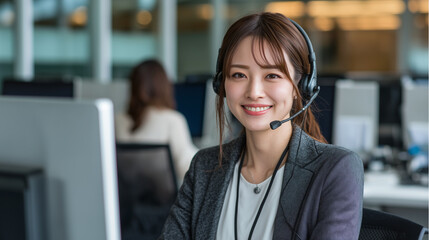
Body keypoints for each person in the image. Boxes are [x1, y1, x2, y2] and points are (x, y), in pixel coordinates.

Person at [159, 12, 364, 240]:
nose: (254, 92)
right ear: (222, 84)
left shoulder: (335, 170)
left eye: (272, 76)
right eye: (238, 74)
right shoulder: (205, 167)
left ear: (301, 87)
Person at [115, 59, 198, 184]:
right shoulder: (172, 120)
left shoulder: (117, 120)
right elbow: (187, 168)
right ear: (164, 86)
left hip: (126, 201)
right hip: (163, 201)